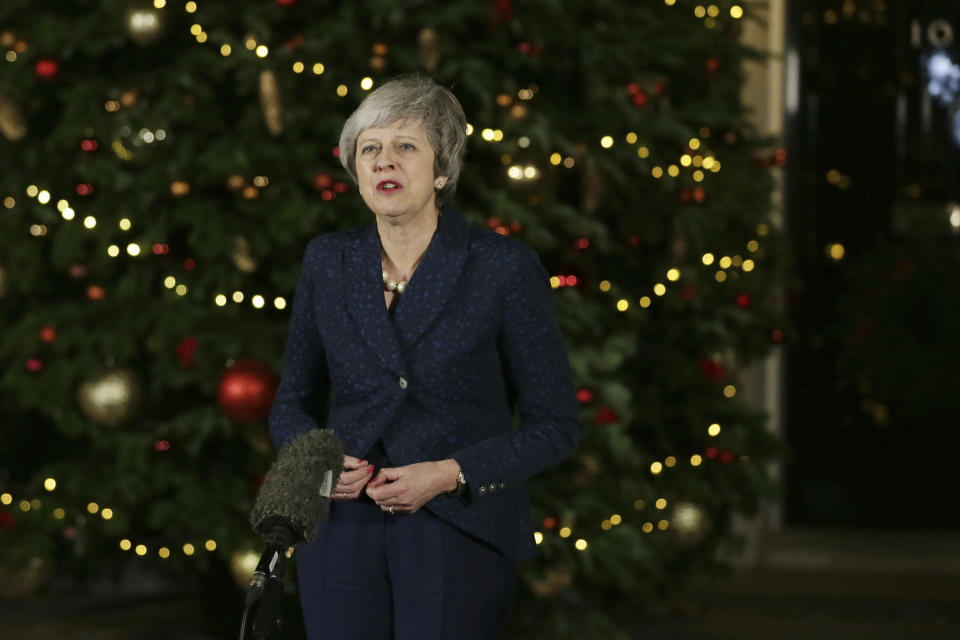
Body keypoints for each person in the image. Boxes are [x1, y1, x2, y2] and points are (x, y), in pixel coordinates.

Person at [268, 74, 580, 640]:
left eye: (406, 147)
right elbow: (291, 403)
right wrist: (317, 461)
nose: (385, 161)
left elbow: (555, 425)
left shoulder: (502, 267)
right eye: (370, 149)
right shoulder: (328, 261)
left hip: (456, 525)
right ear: (355, 169)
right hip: (340, 530)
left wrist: (449, 474)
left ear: (441, 170)